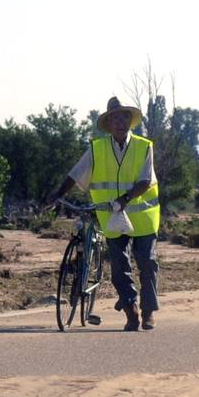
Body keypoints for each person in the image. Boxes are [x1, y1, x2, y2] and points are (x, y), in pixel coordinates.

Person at [44, 97, 162, 331]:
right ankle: (131, 310)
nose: (120, 121)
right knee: (119, 266)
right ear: (109, 123)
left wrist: (125, 199)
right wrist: (57, 194)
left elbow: (146, 181)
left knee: (147, 263)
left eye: (124, 117)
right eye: (115, 117)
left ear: (130, 121)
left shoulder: (143, 146)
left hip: (143, 217)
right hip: (112, 218)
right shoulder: (97, 148)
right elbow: (76, 173)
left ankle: (148, 311)